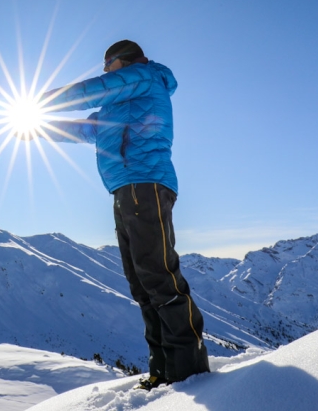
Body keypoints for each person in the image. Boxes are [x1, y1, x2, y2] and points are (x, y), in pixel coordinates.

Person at [38, 39, 209, 389]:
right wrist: (36, 127)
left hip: (145, 185)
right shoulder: (122, 101)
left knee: (159, 278)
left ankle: (188, 371)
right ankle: (163, 370)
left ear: (125, 61)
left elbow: (94, 90)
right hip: (125, 191)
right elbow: (87, 128)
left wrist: (41, 100)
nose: (104, 70)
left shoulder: (142, 77)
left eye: (108, 63)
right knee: (142, 284)